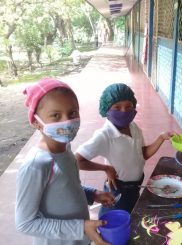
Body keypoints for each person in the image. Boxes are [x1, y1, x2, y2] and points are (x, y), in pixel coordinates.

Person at [15, 78, 115, 245]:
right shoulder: (36, 166)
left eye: (73, 113)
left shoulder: (66, 148)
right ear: (35, 122)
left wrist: (92, 194)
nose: (67, 121)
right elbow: (25, 223)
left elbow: (67, 186)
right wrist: (81, 227)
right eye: (56, 115)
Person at [75, 83, 174, 216]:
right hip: (118, 189)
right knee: (114, 221)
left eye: (128, 107)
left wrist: (161, 138)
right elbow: (77, 160)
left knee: (132, 217)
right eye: (117, 107)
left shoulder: (134, 128)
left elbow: (142, 154)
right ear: (106, 109)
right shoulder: (104, 135)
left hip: (136, 186)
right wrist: (106, 168)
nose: (124, 111)